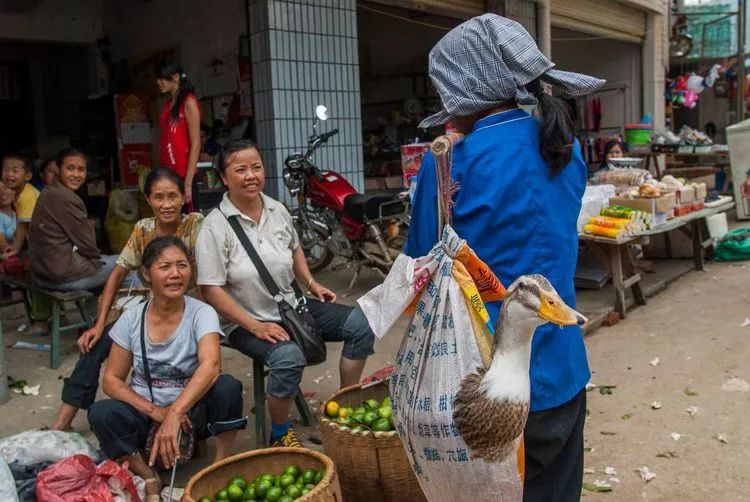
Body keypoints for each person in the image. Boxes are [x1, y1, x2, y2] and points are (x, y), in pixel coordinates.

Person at [405, 15, 604, 502]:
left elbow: (417, 272)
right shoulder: (564, 146)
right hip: (562, 367)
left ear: (462, 87)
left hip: (483, 385)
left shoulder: (448, 161)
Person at [196, 140, 375, 447]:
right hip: (245, 321)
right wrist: (255, 326)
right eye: (240, 169)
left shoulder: (276, 209)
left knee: (362, 324)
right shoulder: (214, 227)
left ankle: (344, 407)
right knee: (288, 357)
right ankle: (280, 433)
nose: (251, 175)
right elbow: (210, 290)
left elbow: (294, 249)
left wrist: (310, 283)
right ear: (225, 178)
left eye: (256, 167)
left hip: (292, 305)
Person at [88, 237, 245, 501]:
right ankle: (148, 475)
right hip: (147, 412)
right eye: (165, 267)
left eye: (182, 265)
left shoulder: (201, 313)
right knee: (101, 413)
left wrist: (175, 412)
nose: (175, 274)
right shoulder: (131, 318)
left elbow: (210, 366)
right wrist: (156, 412)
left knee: (228, 387)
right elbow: (112, 380)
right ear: (147, 274)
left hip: (193, 411)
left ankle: (219, 466)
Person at [52, 168, 204, 431]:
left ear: (183, 197)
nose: (166, 204)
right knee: (94, 344)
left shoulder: (197, 225)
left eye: (172, 196)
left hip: (188, 310)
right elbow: (116, 274)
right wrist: (99, 324)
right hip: (150, 311)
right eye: (158, 197)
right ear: (148, 200)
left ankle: (187, 422)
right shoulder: (143, 229)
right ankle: (61, 424)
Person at [29, 148, 117, 291]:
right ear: (58, 169)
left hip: (43, 273)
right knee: (129, 266)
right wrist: (89, 228)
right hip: (59, 277)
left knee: (111, 262)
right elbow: (88, 245)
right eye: (70, 168)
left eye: (81, 170)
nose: (76, 175)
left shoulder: (48, 191)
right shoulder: (66, 198)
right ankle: (133, 312)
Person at [155, 62, 201, 207]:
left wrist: (188, 183)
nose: (158, 82)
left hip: (184, 174)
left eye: (162, 78)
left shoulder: (189, 102)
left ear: (175, 77)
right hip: (168, 173)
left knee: (189, 224)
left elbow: (196, 144)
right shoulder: (168, 104)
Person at [1, 154, 38, 258]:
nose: (9, 174)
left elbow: (23, 226)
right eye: (5, 169)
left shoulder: (27, 195)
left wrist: (15, 249)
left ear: (28, 176)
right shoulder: (16, 193)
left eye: (15, 171)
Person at [0, 180, 16, 254]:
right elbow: (3, 246)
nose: (2, 192)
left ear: (14, 192)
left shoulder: (17, 213)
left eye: (5, 188)